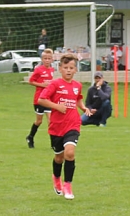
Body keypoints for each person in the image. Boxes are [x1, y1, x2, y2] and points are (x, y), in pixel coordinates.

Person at [37, 55, 94, 200]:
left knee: (70, 153)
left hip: (73, 124)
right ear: (60, 69)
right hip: (56, 127)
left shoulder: (77, 85)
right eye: (66, 67)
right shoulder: (55, 84)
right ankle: (56, 178)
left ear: (75, 70)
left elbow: (78, 98)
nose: (68, 70)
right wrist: (57, 106)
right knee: (59, 158)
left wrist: (83, 108)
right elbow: (41, 99)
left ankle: (68, 185)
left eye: (71, 68)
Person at [26, 49, 55, 148]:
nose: (47, 60)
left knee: (51, 122)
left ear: (52, 59)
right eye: (45, 58)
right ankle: (30, 137)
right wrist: (42, 85)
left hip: (48, 99)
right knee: (39, 121)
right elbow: (31, 81)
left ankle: (53, 144)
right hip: (39, 99)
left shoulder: (52, 70)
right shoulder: (38, 70)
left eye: (49, 58)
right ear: (42, 59)